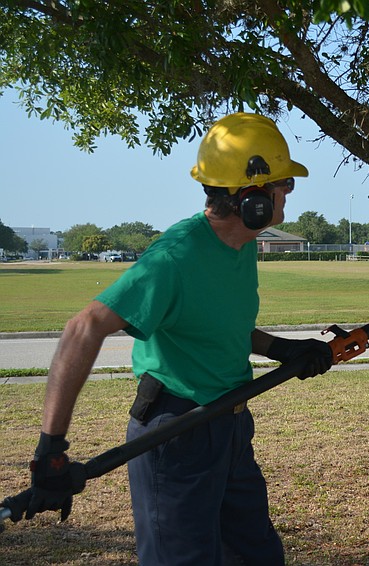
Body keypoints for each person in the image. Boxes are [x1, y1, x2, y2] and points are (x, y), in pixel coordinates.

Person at [10, 112, 333, 564]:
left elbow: (216, 323)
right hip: (177, 432)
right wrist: (51, 450)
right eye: (285, 186)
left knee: (256, 556)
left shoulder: (239, 246)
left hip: (230, 423)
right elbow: (83, 327)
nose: (289, 198)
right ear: (253, 198)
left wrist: (282, 349)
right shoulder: (175, 257)